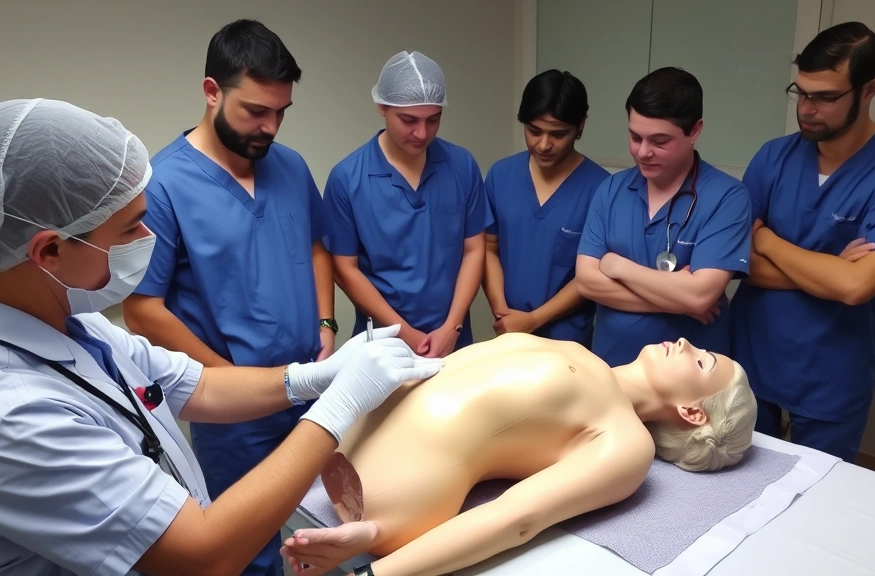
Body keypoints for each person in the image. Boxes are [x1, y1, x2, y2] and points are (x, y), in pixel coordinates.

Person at [0, 98, 443, 576]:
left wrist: (312, 377)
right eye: (130, 227)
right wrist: (339, 405)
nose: (149, 238)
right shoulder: (3, 414)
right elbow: (203, 556)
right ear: (48, 251)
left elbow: (199, 388)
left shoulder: (77, 325)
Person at [120, 20, 334, 574]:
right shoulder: (164, 185)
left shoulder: (288, 166)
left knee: (331, 522)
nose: (271, 127)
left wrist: (328, 328)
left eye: (281, 112)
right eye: (256, 111)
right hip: (235, 410)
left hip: (313, 382)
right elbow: (142, 309)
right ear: (211, 91)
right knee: (249, 548)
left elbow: (314, 247)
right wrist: (228, 383)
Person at [279, 332, 757, 576]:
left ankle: (375, 527)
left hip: (399, 493)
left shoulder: (627, 442)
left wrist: (374, 572)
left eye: (701, 360)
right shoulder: (585, 355)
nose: (686, 343)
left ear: (693, 413)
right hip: (344, 431)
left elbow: (517, 517)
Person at [729, 22, 875, 462]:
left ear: (869, 89)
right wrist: (830, 269)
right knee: (737, 482)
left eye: (826, 96)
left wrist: (767, 239)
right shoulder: (772, 157)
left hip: (833, 370)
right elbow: (734, 260)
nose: (807, 109)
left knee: (817, 496)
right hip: (754, 355)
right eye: (801, 92)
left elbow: (857, 287)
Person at [575, 67, 752, 368]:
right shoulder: (612, 190)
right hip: (613, 371)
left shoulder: (727, 198)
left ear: (695, 130)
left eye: (659, 141)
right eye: (635, 137)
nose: (643, 152)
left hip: (687, 385)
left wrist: (616, 265)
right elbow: (587, 283)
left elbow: (699, 296)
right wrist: (677, 303)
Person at [324, 50, 487, 358]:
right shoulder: (348, 178)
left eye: (433, 119)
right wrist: (406, 333)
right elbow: (345, 270)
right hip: (383, 344)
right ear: (382, 107)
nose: (422, 133)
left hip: (451, 342)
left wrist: (452, 328)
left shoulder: (461, 166)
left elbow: (474, 249)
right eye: (409, 120)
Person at [483, 69, 609, 347]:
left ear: (581, 125)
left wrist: (533, 320)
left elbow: (592, 274)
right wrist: (503, 311)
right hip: (508, 334)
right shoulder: (501, 175)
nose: (543, 145)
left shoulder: (602, 190)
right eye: (534, 131)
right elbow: (489, 249)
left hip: (567, 343)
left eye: (558, 134)